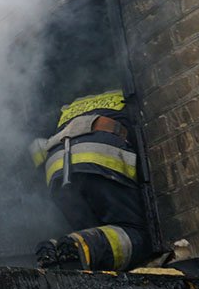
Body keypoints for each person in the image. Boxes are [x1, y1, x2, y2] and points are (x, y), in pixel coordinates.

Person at [31, 90, 153, 270]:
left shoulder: (69, 108)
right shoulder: (124, 97)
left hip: (57, 168)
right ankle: (83, 246)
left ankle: (55, 250)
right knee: (136, 233)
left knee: (95, 232)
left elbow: (35, 147)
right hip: (100, 157)